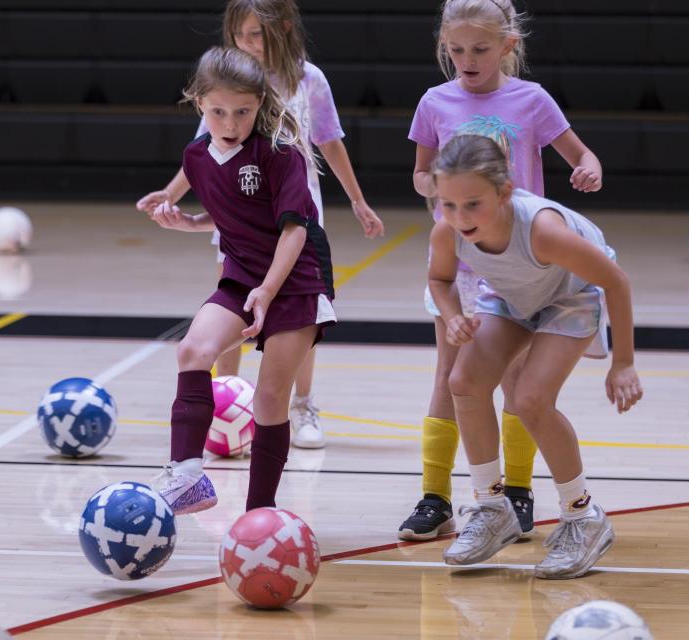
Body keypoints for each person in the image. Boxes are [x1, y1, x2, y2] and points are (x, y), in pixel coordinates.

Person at [399, 0, 605, 541]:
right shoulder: (434, 101)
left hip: (522, 260)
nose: (466, 58)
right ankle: (436, 496)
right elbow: (421, 172)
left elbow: (581, 155)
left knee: (517, 382)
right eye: (457, 48)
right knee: (452, 376)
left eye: (480, 49)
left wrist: (587, 168)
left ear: (508, 46)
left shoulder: (531, 99)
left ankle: (516, 491)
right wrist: (438, 186)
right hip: (462, 254)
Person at [138, 0, 383, 450]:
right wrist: (170, 196)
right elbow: (204, 153)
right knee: (230, 306)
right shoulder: (226, 86)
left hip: (292, 214)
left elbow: (330, 142)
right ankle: (229, 399)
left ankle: (302, 404)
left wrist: (358, 200)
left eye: (256, 34)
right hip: (236, 212)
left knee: (300, 315)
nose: (248, 44)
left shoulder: (309, 80)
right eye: (240, 35)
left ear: (283, 28)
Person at [428, 134, 642, 578]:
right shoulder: (448, 230)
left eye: (472, 204)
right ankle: (493, 508)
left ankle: (583, 516)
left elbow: (616, 282)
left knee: (529, 400)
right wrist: (451, 317)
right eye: (448, 204)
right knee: (463, 382)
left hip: (571, 295)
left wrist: (623, 363)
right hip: (512, 296)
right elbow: (440, 280)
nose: (458, 217)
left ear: (505, 193)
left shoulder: (542, 231)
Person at [145, 47, 336, 515]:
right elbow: (229, 215)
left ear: (260, 104)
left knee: (271, 399)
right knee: (192, 351)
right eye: (218, 112)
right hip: (241, 277)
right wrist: (189, 223)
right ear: (199, 105)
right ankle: (187, 477)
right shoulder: (196, 157)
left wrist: (268, 292)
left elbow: (294, 228)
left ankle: (259, 513)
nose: (230, 123)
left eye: (243, 112)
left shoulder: (280, 153)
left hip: (295, 281)